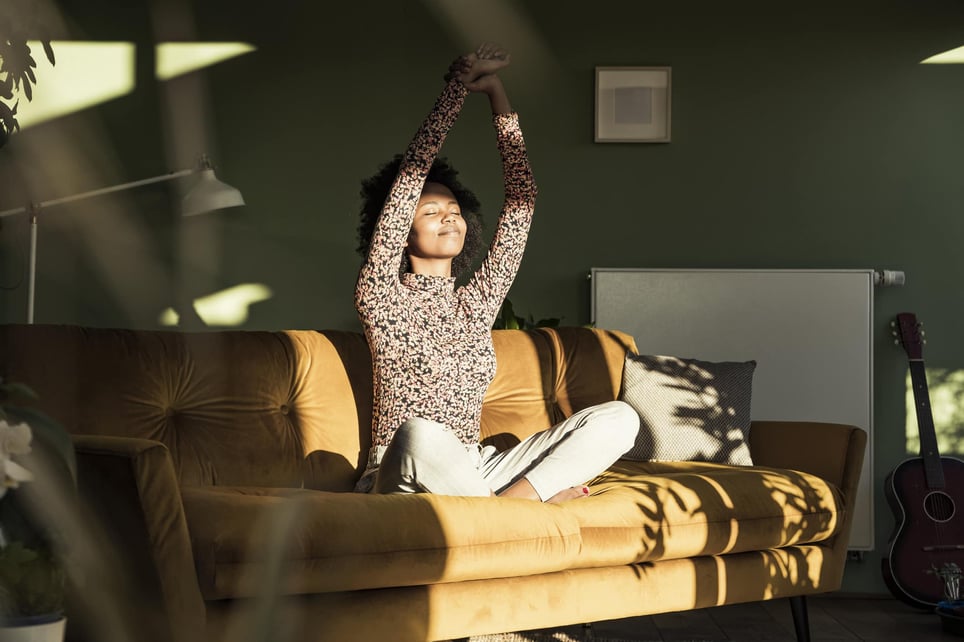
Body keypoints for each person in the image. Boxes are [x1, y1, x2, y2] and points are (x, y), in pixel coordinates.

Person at [353, 44, 639, 503]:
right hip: (406, 466)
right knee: (421, 433)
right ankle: (524, 509)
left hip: (477, 469)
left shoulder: (475, 304)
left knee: (621, 419)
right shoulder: (381, 297)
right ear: (400, 230)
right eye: (430, 212)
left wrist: (497, 99)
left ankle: (513, 507)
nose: (449, 217)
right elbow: (411, 175)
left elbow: (523, 203)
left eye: (454, 209)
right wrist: (454, 95)